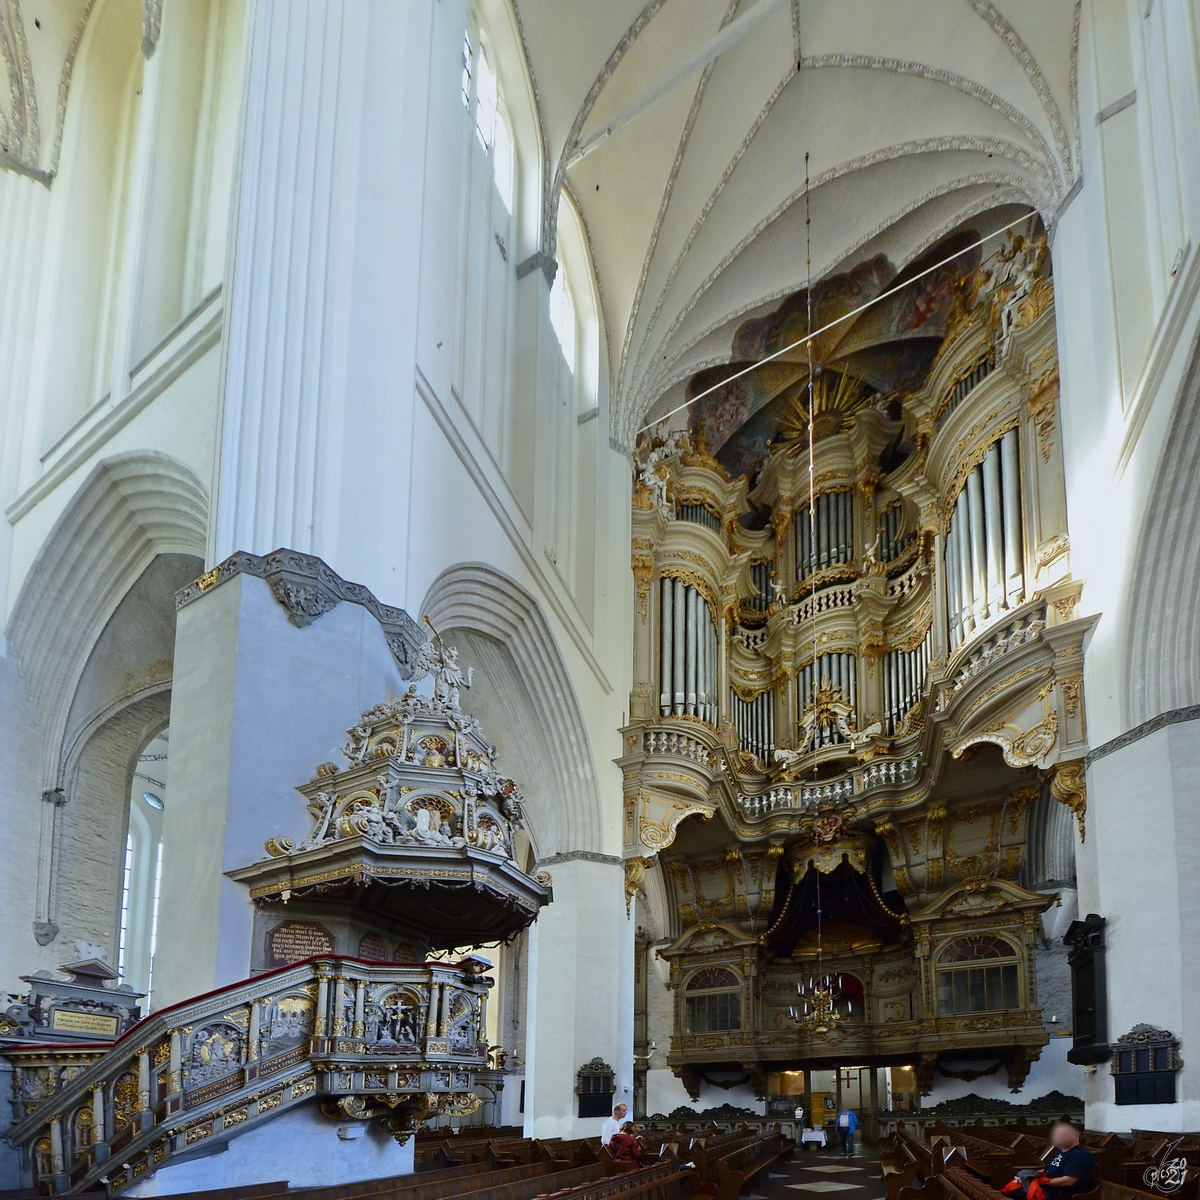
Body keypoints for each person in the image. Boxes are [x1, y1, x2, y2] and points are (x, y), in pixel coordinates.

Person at [1041, 1119, 1095, 1200]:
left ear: (1076, 1136)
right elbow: (1048, 1170)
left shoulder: (1080, 1154)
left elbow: (1068, 1181)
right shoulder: (1060, 1151)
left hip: (1066, 1196)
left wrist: (1040, 1182)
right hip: (1051, 1191)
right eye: (1056, 1135)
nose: (1057, 1138)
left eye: (1062, 1135)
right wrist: (1028, 1177)